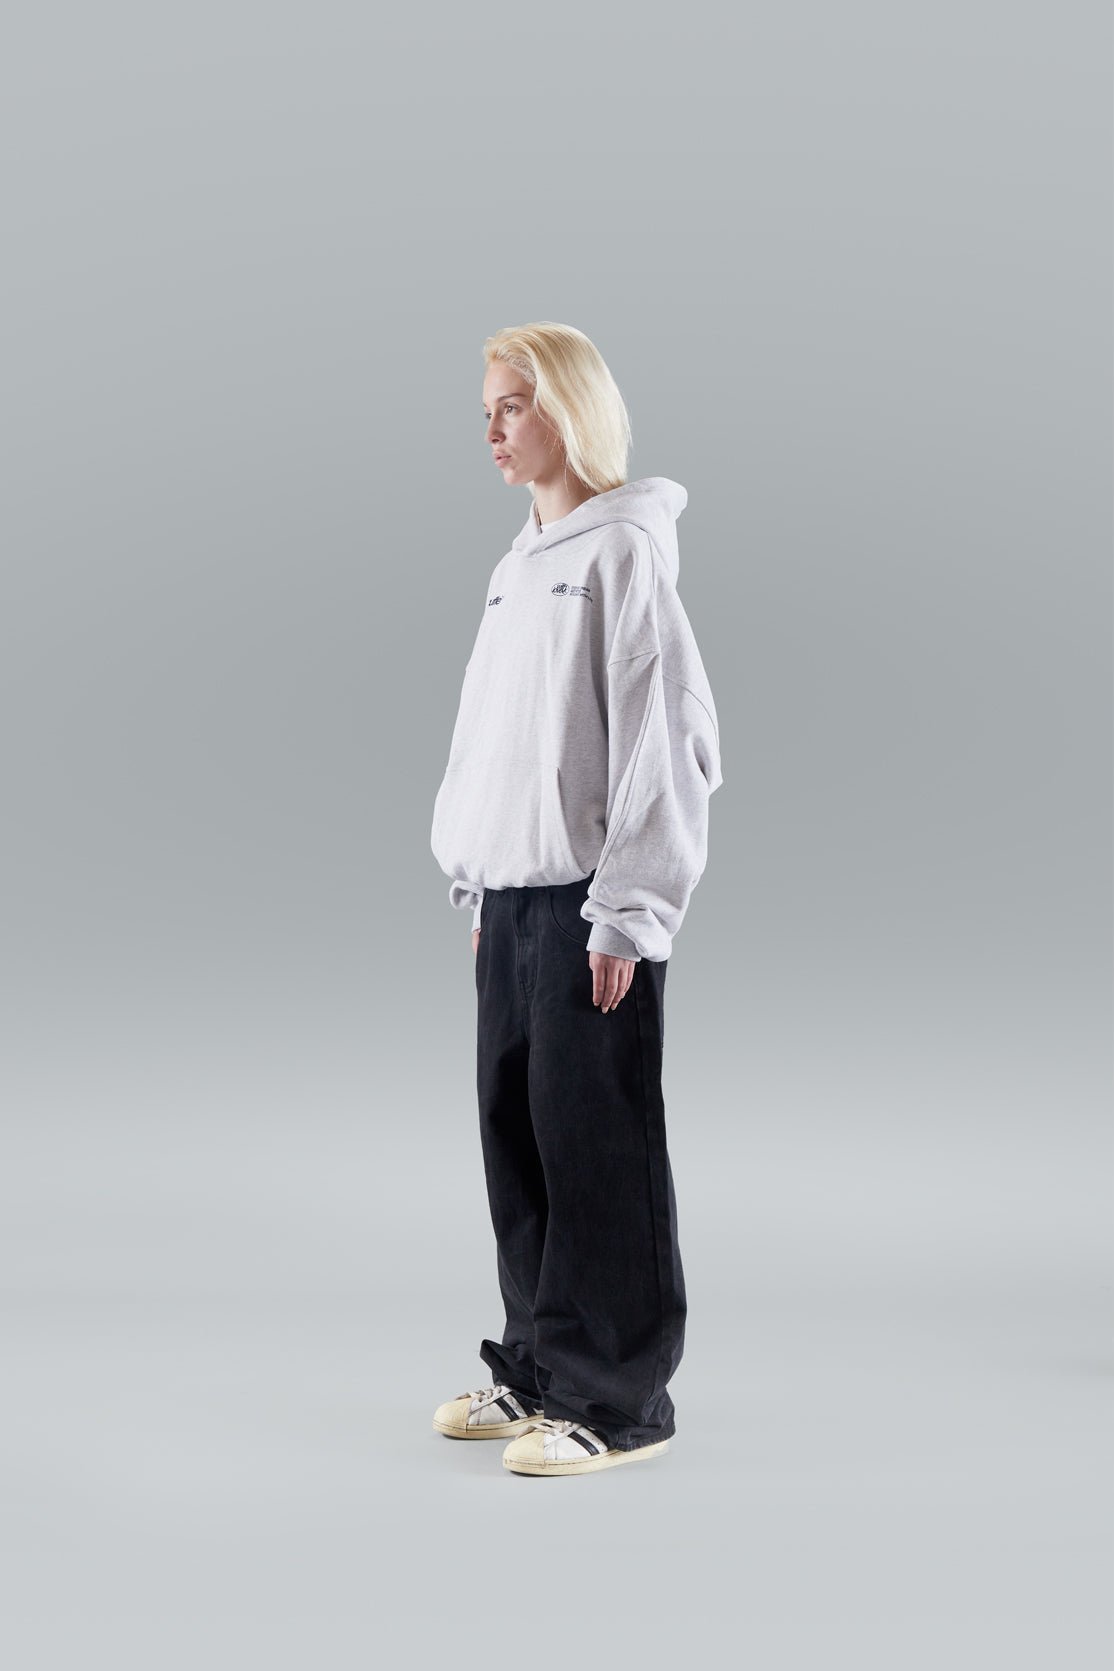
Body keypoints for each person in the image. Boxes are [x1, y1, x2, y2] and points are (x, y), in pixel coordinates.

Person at [429, 320, 724, 1477]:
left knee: (595, 1140)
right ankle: (540, 1370)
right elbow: (489, 741)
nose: (493, 430)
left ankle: (618, 1397)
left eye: (512, 404)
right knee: (519, 1137)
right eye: (486, 411)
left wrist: (630, 913)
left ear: (566, 407)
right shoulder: (516, 570)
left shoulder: (622, 555)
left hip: (590, 905)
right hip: (511, 904)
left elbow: (667, 738)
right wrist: (476, 885)